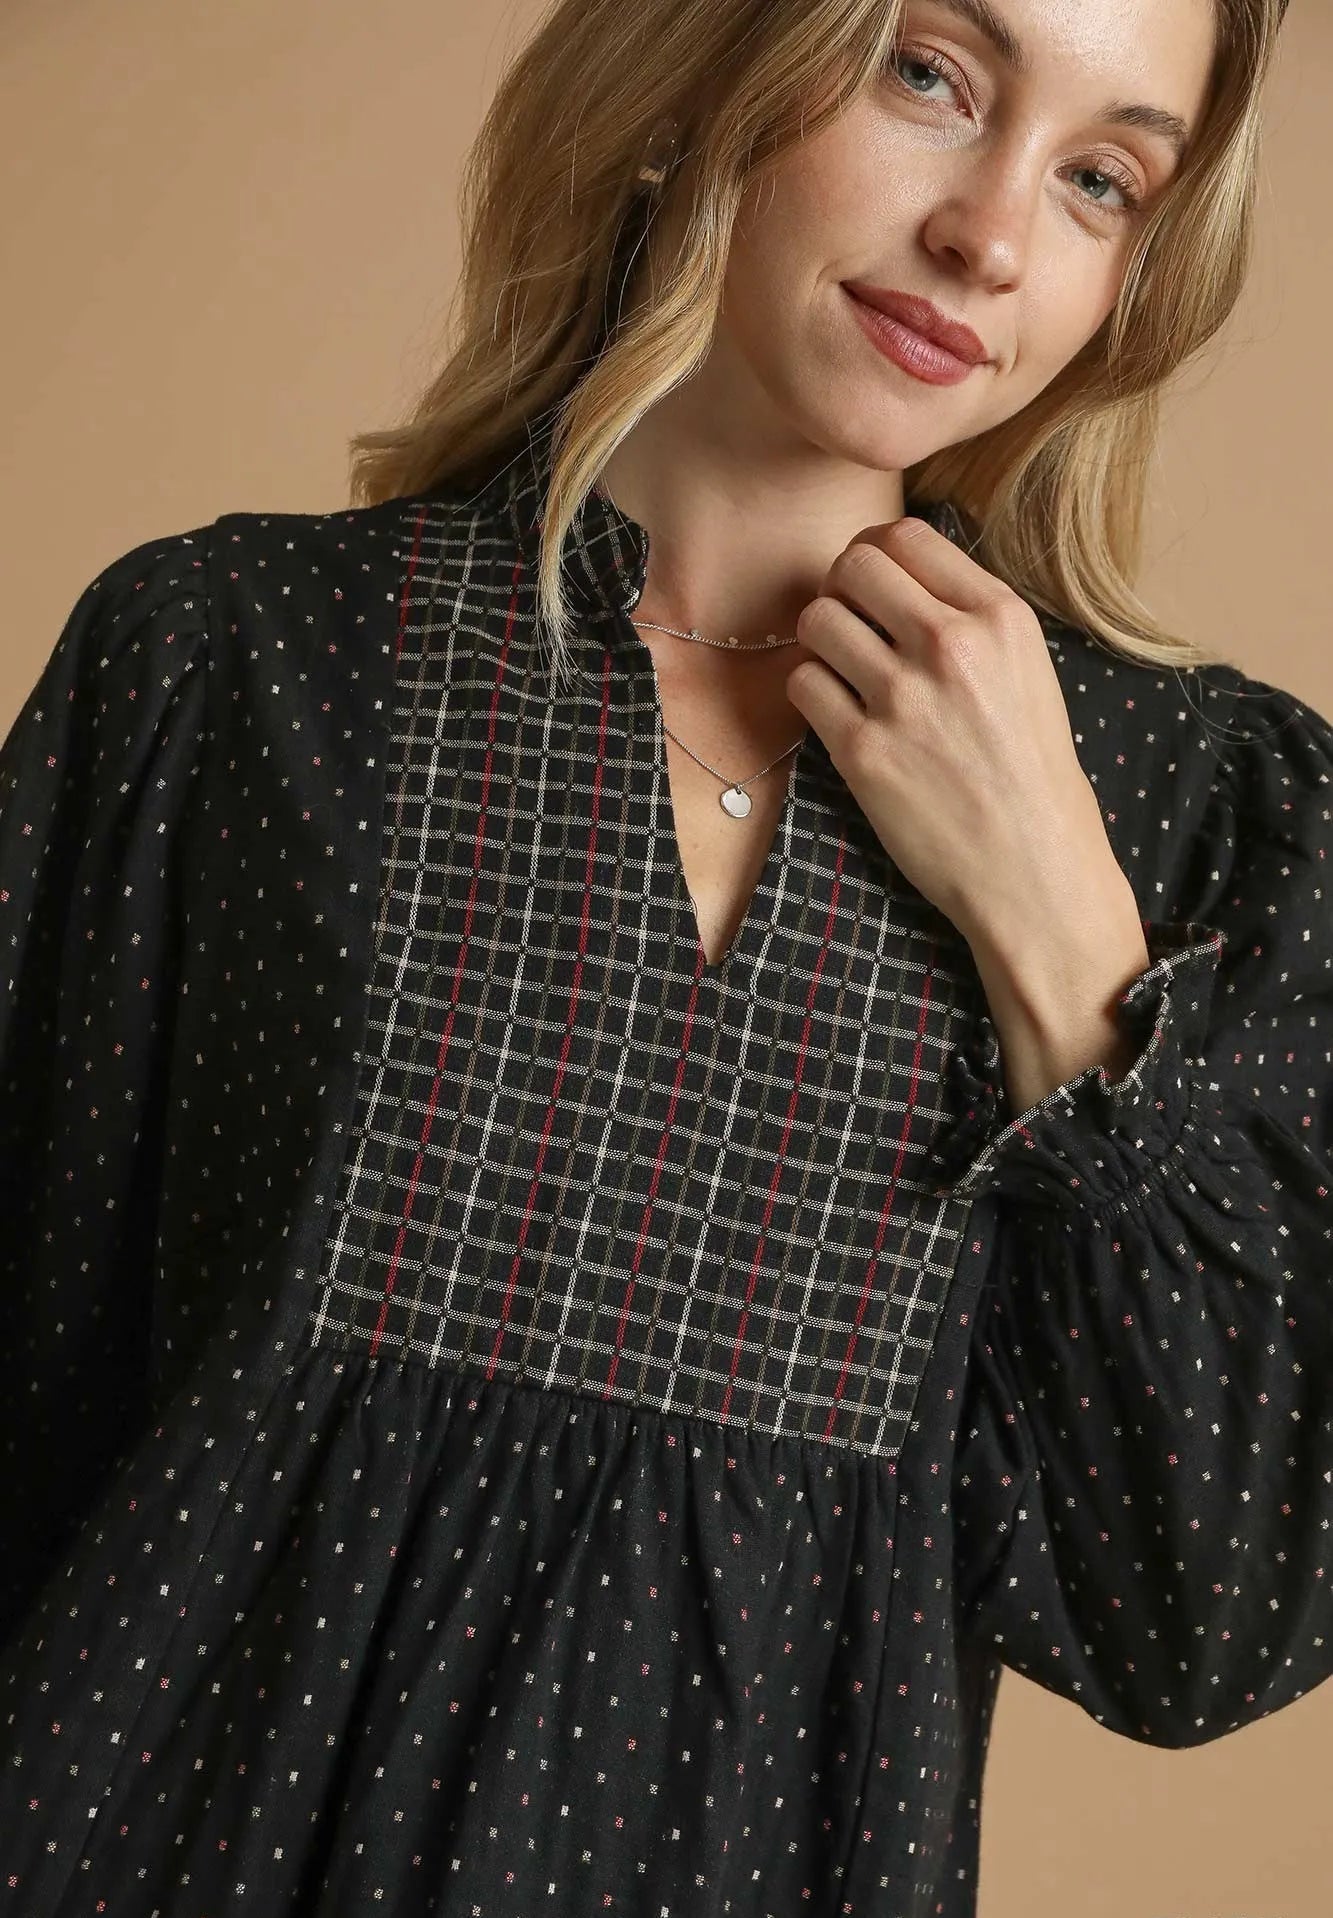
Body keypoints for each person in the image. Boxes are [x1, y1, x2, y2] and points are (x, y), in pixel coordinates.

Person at [0, 0, 1325, 1912]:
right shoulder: (235, 662)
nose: (990, 235)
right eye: (929, 74)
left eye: (1100, 177)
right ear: (693, 78)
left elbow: (1194, 1619)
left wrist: (1055, 924)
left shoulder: (1191, 809)